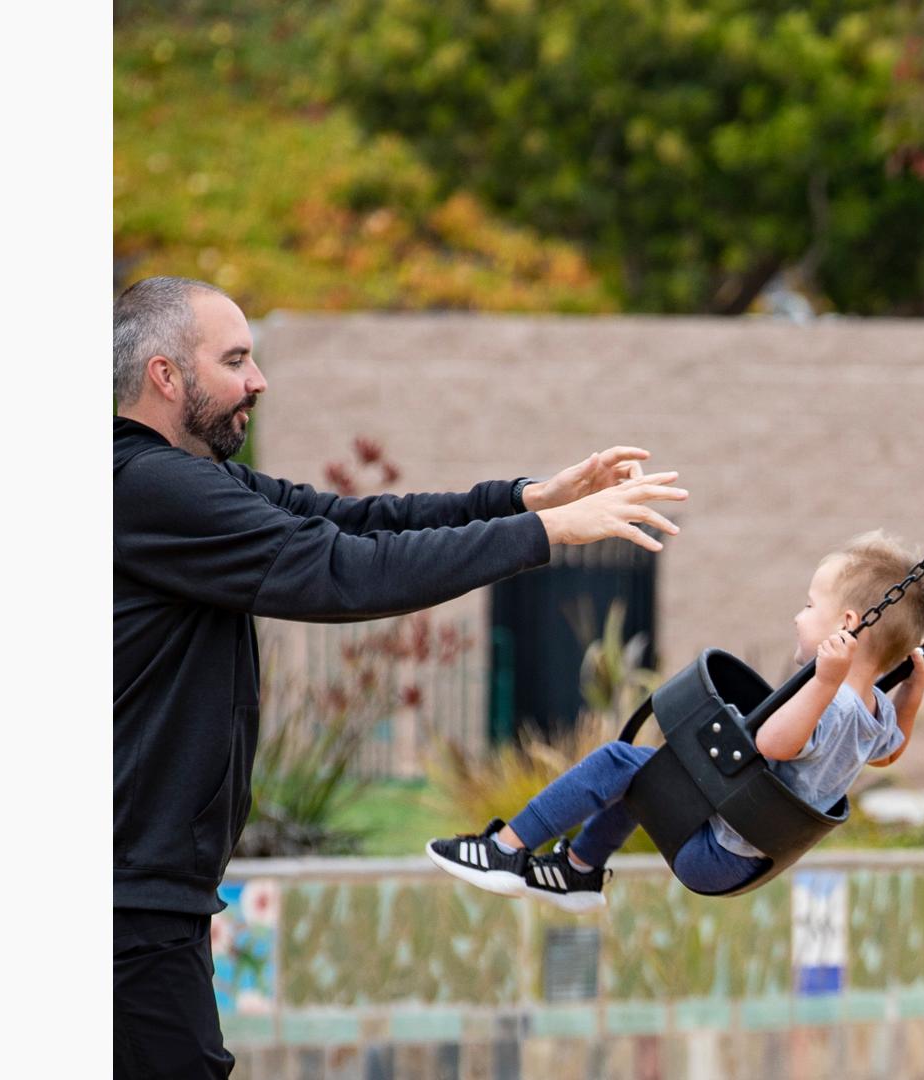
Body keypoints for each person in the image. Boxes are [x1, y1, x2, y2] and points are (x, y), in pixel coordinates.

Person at [112, 276, 689, 1077]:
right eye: (236, 359)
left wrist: (525, 499)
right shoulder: (148, 486)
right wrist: (546, 534)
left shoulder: (180, 481)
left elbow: (356, 520)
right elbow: (342, 571)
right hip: (127, 905)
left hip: (146, 899)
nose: (258, 381)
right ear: (165, 375)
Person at [425, 530, 924, 909]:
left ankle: (504, 850)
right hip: (747, 852)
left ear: (847, 626)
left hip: (717, 852)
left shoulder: (834, 702)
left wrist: (825, 680)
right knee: (648, 774)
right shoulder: (873, 708)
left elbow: (775, 743)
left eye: (809, 606)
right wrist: (913, 692)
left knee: (619, 761)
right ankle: (578, 870)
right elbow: (889, 752)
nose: (797, 617)